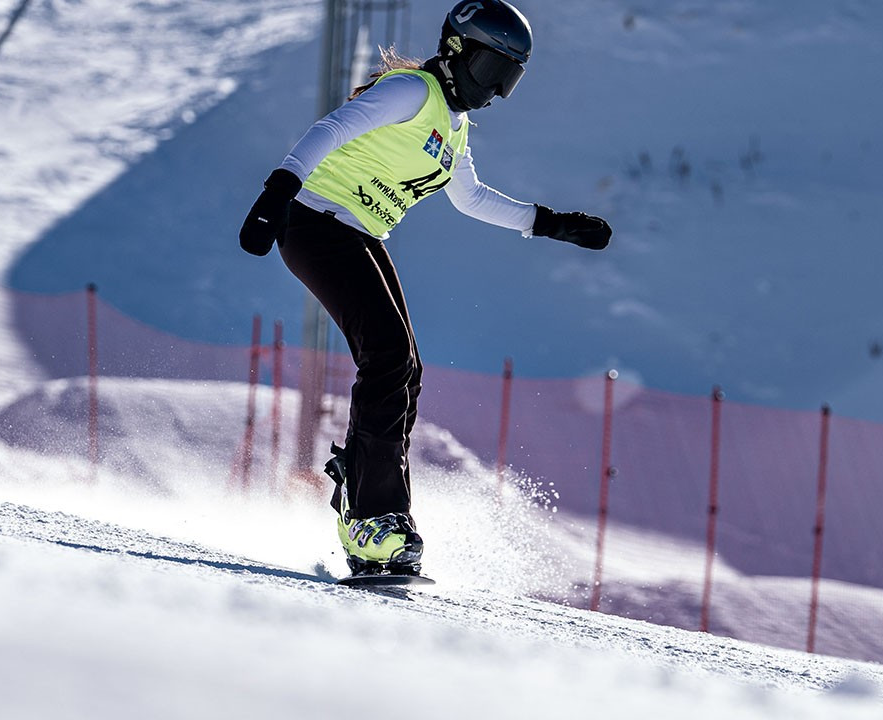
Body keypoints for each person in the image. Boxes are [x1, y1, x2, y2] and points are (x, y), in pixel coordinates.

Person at [239, 0, 611, 577]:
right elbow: (331, 129)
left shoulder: (454, 126)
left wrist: (548, 222)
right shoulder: (412, 92)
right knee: (387, 357)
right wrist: (275, 192)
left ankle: (364, 491)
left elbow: (470, 197)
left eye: (507, 82)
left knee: (405, 367)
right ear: (458, 50)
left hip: (357, 232)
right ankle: (373, 518)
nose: (493, 92)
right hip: (314, 222)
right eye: (492, 73)